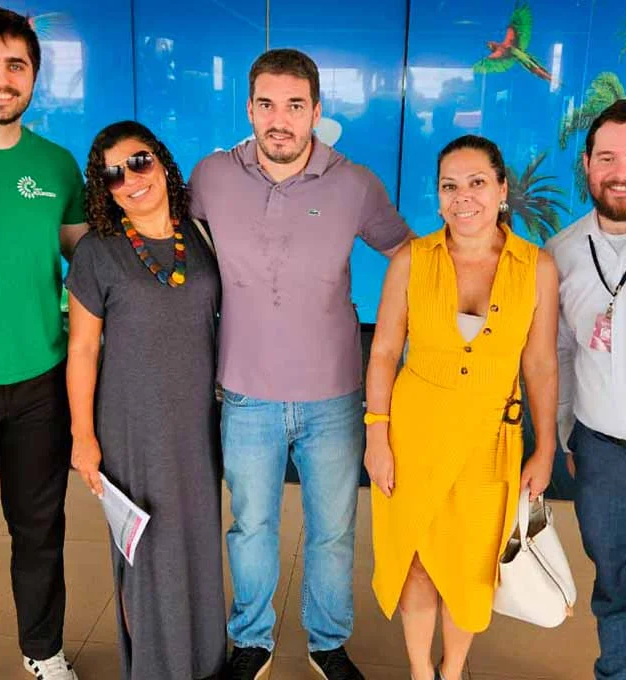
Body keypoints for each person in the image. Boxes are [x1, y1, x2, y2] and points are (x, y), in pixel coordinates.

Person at [188, 48, 412, 680]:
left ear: (316, 111)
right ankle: (251, 641)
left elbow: (410, 256)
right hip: (245, 392)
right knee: (251, 526)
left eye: (294, 106)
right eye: (266, 104)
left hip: (334, 394)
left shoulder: (355, 184)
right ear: (249, 109)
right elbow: (175, 240)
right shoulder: (212, 176)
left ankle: (327, 643)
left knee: (333, 531)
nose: (279, 120)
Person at [366, 135, 559, 680]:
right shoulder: (413, 260)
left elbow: (541, 364)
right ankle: (418, 671)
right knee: (418, 560)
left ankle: (451, 671)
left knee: (470, 568)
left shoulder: (536, 267)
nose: (463, 197)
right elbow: (384, 352)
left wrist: (545, 448)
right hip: (414, 436)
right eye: (450, 186)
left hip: (490, 442)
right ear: (438, 197)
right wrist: (376, 435)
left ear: (501, 189)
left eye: (477, 183)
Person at [66, 121, 225, 680]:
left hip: (196, 422)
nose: (131, 179)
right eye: (113, 174)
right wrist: (83, 437)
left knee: (198, 542)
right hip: (131, 426)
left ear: (161, 161)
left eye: (139, 162)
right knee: (146, 552)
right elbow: (83, 349)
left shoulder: (201, 235)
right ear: (104, 189)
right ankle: (156, 668)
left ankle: (203, 662)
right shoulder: (97, 252)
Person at [0, 8, 87, 680]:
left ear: (33, 77)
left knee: (40, 531)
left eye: (15, 65)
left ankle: (44, 651)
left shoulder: (55, 164)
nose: (1, 78)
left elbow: (89, 261)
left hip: (39, 384)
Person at [546, 99, 626, 680]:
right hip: (601, 449)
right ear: (588, 164)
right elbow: (560, 352)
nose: (620, 172)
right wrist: (565, 433)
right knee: (614, 579)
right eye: (607, 158)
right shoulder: (564, 252)